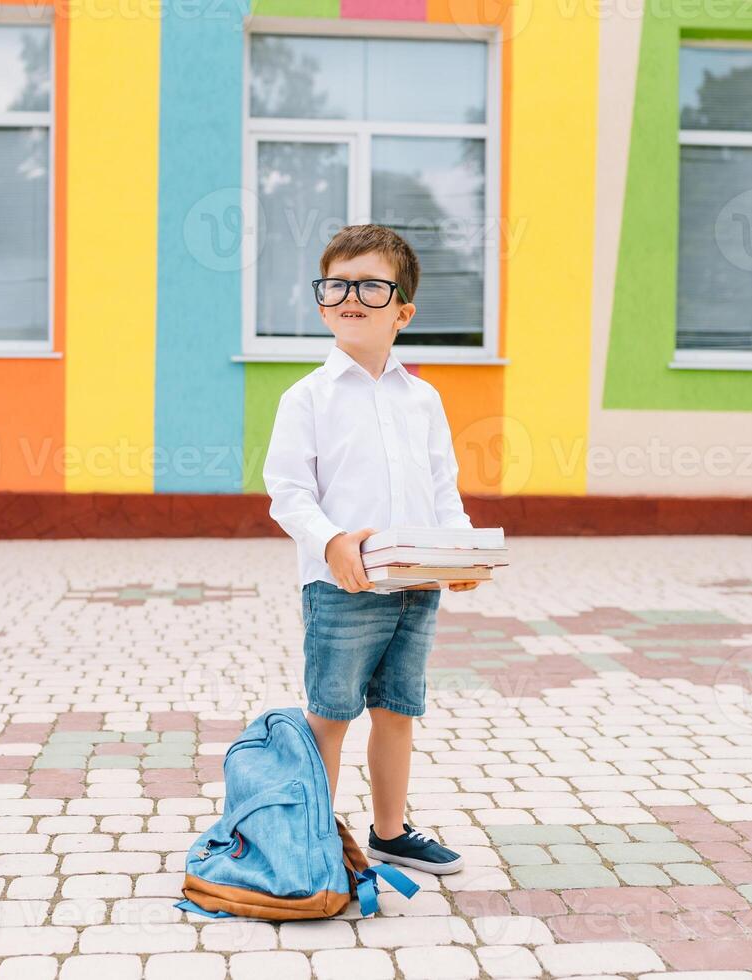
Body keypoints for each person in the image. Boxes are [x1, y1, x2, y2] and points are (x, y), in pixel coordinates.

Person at [262, 223, 479, 875]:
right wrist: (329, 542)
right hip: (343, 587)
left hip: (417, 584)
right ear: (322, 302)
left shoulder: (424, 398)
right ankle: (317, 843)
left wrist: (461, 546)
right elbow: (287, 490)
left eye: (371, 285)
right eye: (337, 284)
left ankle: (389, 832)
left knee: (397, 711)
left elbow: (443, 482)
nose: (350, 295)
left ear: (403, 311)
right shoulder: (308, 397)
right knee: (330, 715)